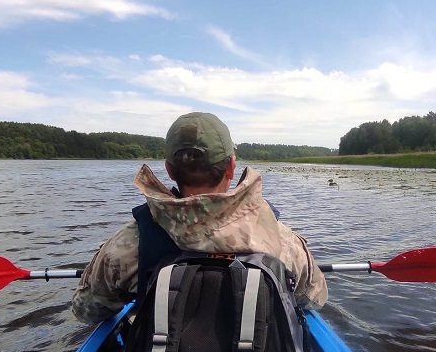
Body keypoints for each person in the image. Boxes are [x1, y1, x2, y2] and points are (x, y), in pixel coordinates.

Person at [72, 111, 328, 324]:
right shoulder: (281, 241)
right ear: (231, 166)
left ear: (170, 171)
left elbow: (88, 312)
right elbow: (315, 298)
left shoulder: (127, 246)